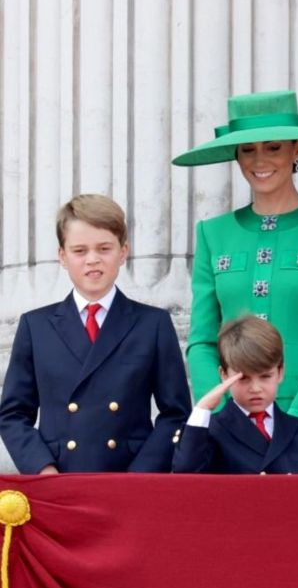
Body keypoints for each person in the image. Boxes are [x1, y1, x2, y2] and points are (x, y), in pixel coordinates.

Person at [172, 90, 298, 473]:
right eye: (247, 150)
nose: (259, 161)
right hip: (229, 430)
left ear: (296, 148)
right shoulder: (213, 233)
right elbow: (202, 339)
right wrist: (226, 410)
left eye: (273, 147)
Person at [0, 194, 192, 474]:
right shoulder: (35, 326)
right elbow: (13, 414)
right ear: (62, 256)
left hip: (130, 478)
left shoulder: (153, 324)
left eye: (104, 248)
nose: (92, 260)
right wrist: (42, 468)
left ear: (123, 252)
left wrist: (141, 474)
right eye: (80, 251)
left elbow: (176, 414)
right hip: (60, 478)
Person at [173, 315, 298, 474]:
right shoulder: (212, 430)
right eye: (244, 378)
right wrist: (202, 408)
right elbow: (186, 472)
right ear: (224, 374)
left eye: (265, 376)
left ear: (280, 372)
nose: (255, 388)